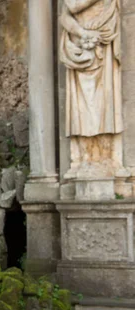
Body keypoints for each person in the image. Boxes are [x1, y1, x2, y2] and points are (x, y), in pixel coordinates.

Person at [59, 0, 125, 178]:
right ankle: (85, 157)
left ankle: (106, 157)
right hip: (81, 46)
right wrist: (82, 33)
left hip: (102, 44)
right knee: (82, 105)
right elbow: (67, 12)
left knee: (105, 103)